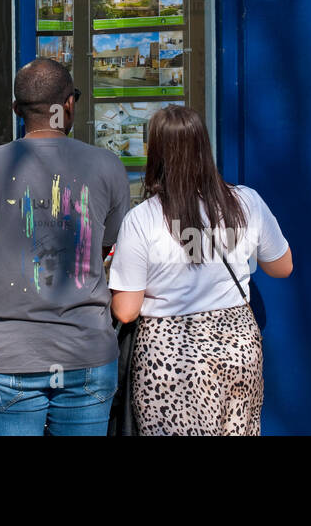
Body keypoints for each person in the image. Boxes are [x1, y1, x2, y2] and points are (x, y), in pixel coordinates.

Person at [0, 58, 129, 435]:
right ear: (69, 104)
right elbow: (109, 248)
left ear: (16, 110)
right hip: (86, 355)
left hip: (7, 360)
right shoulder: (108, 166)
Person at [108, 104, 292, 435]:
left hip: (172, 353)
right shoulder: (246, 202)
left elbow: (125, 311)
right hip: (238, 345)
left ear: (156, 153)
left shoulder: (143, 219)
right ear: (204, 148)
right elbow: (282, 267)